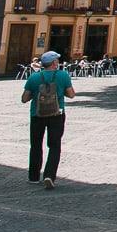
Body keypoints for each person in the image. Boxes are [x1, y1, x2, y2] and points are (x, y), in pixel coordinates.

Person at [21, 51, 75, 189]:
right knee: (55, 146)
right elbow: (71, 94)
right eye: (57, 60)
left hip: (37, 115)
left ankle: (33, 177)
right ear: (54, 63)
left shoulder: (34, 77)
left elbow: (24, 98)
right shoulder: (63, 75)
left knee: (36, 145)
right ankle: (49, 176)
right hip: (57, 115)